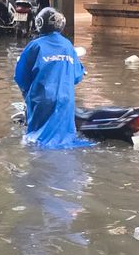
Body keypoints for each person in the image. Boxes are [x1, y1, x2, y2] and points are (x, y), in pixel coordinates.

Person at [14, 8, 89, 149]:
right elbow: (77, 76)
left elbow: (21, 77)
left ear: (39, 24)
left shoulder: (35, 46)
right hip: (65, 100)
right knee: (64, 139)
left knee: (37, 141)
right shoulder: (67, 45)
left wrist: (28, 94)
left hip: (41, 99)